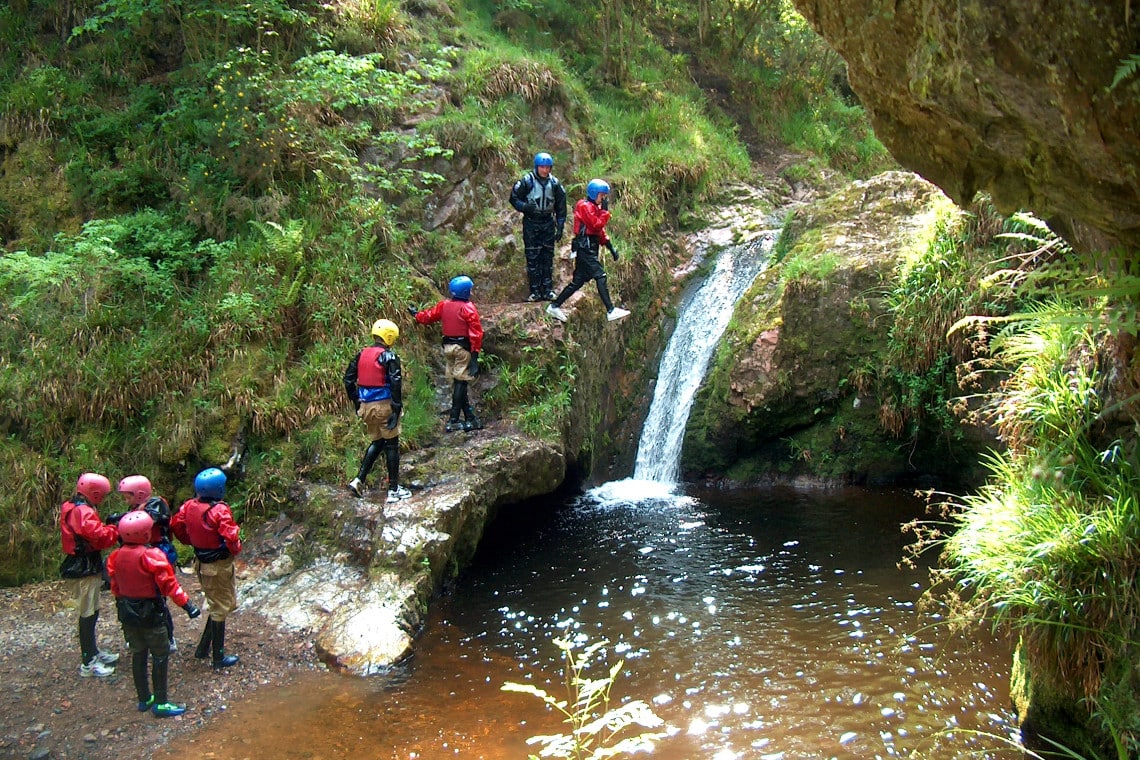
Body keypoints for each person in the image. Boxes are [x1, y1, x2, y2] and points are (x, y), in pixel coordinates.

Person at [107, 510, 201, 717]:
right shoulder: (152, 555)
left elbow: (115, 586)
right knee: (160, 654)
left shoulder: (115, 556)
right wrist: (188, 606)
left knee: (138, 653)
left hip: (127, 612)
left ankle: (144, 698)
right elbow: (170, 586)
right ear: (145, 534)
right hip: (150, 612)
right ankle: (161, 702)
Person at [170, 467, 241, 669]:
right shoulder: (218, 511)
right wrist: (235, 549)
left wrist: (190, 541)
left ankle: (203, 648)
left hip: (202, 561)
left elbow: (177, 526)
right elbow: (231, 536)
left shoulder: (188, 506)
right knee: (220, 607)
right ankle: (218, 658)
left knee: (217, 602)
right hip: (217, 564)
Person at [59, 472, 121, 678]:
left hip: (86, 563)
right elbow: (98, 536)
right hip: (82, 566)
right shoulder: (81, 511)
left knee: (92, 610)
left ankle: (93, 652)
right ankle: (88, 661)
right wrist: (115, 528)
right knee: (87, 612)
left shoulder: (76, 506)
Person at [343, 318, 410, 504]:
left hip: (366, 407)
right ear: (389, 337)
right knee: (392, 445)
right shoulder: (389, 357)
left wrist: (357, 402)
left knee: (378, 442)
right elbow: (396, 383)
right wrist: (396, 410)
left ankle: (358, 480)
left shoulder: (361, 354)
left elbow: (348, 380)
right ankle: (394, 490)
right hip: (384, 405)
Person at [546, 178, 631, 323]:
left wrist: (611, 248)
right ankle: (610, 310)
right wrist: (604, 212)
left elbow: (600, 233)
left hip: (590, 246)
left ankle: (554, 306)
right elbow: (595, 224)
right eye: (601, 195)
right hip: (584, 248)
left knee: (578, 282)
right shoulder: (584, 206)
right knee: (600, 275)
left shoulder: (595, 208)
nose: (603, 198)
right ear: (593, 193)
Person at [410, 275, 484, 433]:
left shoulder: (444, 305)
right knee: (461, 382)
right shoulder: (468, 308)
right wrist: (475, 356)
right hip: (462, 349)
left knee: (458, 382)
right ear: (465, 292)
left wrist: (417, 315)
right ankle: (454, 419)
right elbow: (476, 332)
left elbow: (429, 316)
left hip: (448, 348)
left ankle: (470, 416)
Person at [115, 475, 178, 652]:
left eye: (129, 496)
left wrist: (121, 518)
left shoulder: (156, 505)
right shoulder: (135, 508)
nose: (127, 500)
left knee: (158, 598)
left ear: (140, 493)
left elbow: (151, 519)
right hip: (140, 555)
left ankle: (168, 637)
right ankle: (141, 636)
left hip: (159, 553)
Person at [510, 151, 567, 302]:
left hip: (547, 223)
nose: (545, 170)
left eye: (548, 167)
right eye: (542, 167)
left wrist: (560, 225)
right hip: (531, 222)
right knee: (532, 258)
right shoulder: (527, 181)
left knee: (547, 257)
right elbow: (514, 198)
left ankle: (547, 290)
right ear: (537, 167)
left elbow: (561, 206)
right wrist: (524, 207)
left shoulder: (554, 184)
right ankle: (535, 291)